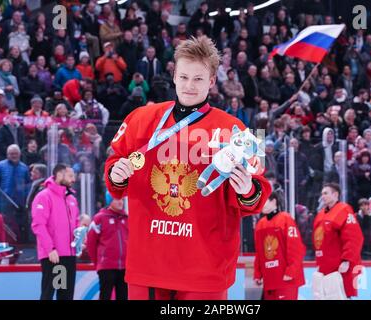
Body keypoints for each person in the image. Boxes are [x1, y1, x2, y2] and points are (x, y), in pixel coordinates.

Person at [105, 36, 271, 300]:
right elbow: (116, 171)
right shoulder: (140, 119)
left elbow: (257, 195)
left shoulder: (236, 130)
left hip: (205, 269)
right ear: (173, 76)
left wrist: (247, 189)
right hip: (149, 263)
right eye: (183, 77)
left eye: (198, 79)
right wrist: (117, 174)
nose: (189, 86)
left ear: (212, 81)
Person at [31, 163, 79, 300]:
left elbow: (75, 223)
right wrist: (50, 248)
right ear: (59, 175)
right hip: (54, 255)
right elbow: (38, 225)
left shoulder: (71, 199)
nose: (73, 179)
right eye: (70, 176)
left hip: (69, 254)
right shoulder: (44, 196)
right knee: (49, 294)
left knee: (65, 295)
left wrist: (80, 239)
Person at [313, 183, 364, 299]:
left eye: (326, 193)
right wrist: (319, 263)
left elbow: (353, 237)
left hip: (339, 267)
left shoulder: (343, 210)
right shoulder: (320, 214)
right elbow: (319, 241)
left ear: (335, 195)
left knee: (342, 295)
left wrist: (347, 260)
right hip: (325, 266)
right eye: (322, 194)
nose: (323, 196)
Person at [253, 190, 305, 300]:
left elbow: (296, 248)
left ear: (273, 202)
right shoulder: (260, 224)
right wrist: (258, 274)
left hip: (286, 279)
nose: (260, 203)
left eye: (263, 200)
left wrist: (291, 271)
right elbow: (259, 252)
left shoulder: (286, 219)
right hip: (269, 279)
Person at [87, 198, 129, 300]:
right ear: (109, 201)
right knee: (105, 296)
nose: (120, 202)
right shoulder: (99, 218)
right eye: (116, 199)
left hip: (124, 267)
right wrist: (98, 263)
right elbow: (90, 243)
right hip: (106, 266)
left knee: (123, 296)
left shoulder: (127, 218)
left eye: (121, 199)